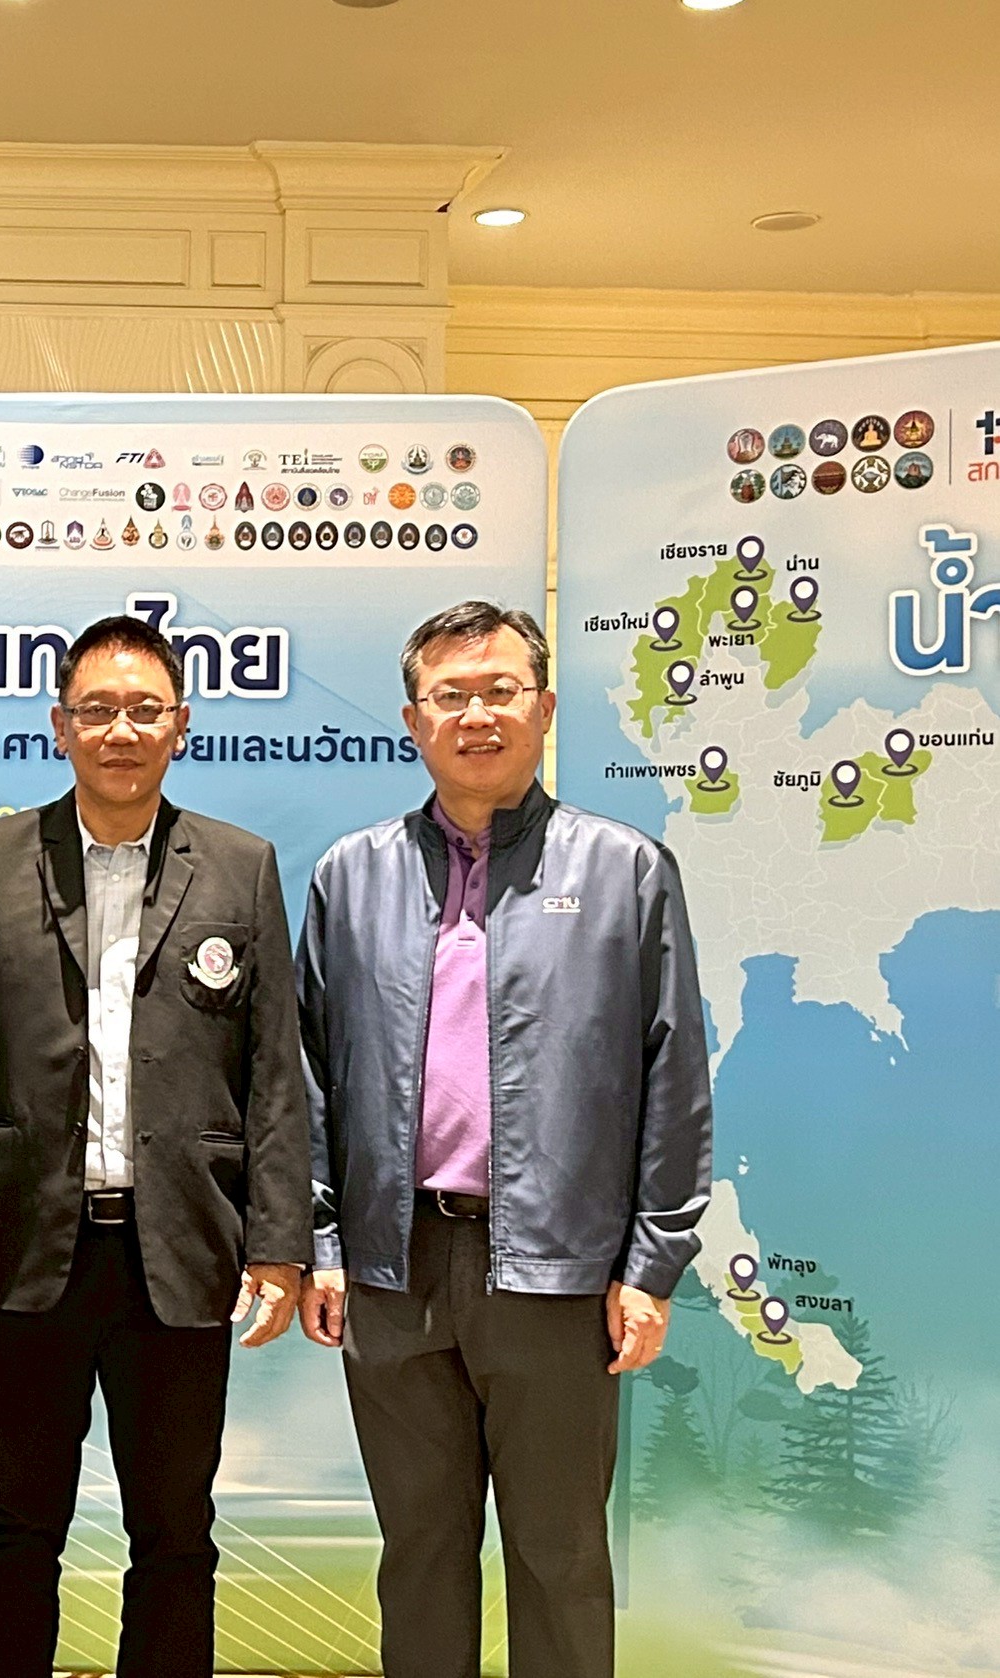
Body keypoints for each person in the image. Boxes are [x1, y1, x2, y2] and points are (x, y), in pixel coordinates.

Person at [294, 600, 712, 1678]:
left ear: (546, 707)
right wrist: (325, 1242)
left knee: (559, 1556)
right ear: (413, 719)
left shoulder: (626, 870)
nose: (476, 714)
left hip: (559, 1273)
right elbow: (307, 1077)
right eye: (450, 695)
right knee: (419, 1555)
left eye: (500, 690)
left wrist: (651, 1266)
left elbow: (674, 1076)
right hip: (395, 1271)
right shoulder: (350, 875)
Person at [0, 615, 311, 1678]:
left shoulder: (241, 866)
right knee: (17, 1521)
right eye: (97, 710)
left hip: (179, 1251)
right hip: (23, 1247)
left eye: (143, 710)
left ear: (181, 724)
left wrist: (279, 1243)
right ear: (61, 726)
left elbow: (274, 1073)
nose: (120, 730)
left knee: (175, 1532)